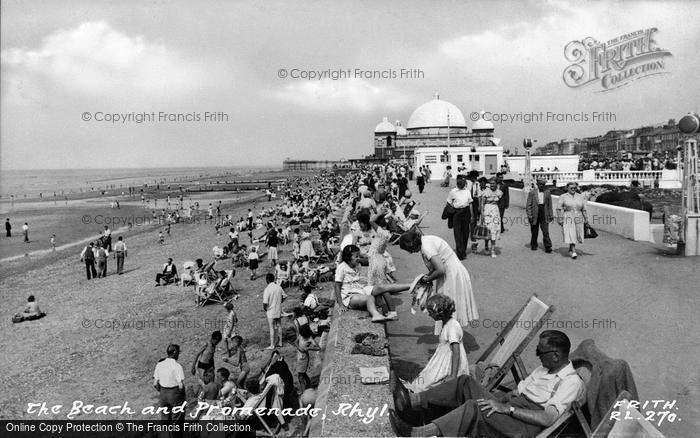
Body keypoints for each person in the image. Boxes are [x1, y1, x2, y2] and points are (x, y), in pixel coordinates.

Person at [390, 330, 585, 438]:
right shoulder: (544, 369)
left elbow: (548, 419)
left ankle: (418, 434)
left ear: (556, 355)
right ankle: (411, 401)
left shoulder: (570, 382)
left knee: (475, 408)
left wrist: (506, 409)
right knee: (465, 382)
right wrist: (497, 400)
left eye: (539, 353)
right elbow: (516, 392)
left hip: (524, 427)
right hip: (512, 408)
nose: (537, 356)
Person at [399, 231, 478, 333]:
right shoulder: (425, 241)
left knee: (447, 307)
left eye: (409, 249)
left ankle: (452, 336)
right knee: (447, 306)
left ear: (412, 244)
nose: (411, 252)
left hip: (452, 275)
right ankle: (450, 334)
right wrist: (430, 276)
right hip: (451, 272)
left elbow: (440, 270)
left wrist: (428, 279)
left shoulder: (427, 248)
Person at [403, 294, 469, 393]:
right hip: (442, 359)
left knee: (430, 381)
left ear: (439, 313)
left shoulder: (452, 327)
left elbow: (456, 352)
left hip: (448, 364)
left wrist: (453, 376)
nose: (429, 315)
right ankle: (415, 391)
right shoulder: (447, 323)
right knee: (426, 377)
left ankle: (416, 395)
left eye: (430, 312)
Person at [334, 245, 411, 323]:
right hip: (350, 296)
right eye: (356, 256)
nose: (358, 258)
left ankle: (409, 287)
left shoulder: (357, 264)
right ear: (348, 257)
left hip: (360, 289)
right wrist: (341, 304)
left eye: (359, 256)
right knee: (369, 298)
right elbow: (337, 286)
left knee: (382, 288)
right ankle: (375, 315)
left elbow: (368, 261)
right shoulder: (342, 268)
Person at [153, 344, 185, 422]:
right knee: (177, 418)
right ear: (174, 352)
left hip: (163, 393)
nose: (178, 355)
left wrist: (162, 391)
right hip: (175, 394)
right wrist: (180, 394)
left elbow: (155, 384)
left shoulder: (160, 364)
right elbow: (180, 386)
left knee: (165, 418)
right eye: (178, 353)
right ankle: (176, 433)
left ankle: (165, 433)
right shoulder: (177, 366)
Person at [556, 182, 589, 259]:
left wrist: (586, 219)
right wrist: (560, 218)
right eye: (571, 188)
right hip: (568, 216)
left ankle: (571, 248)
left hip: (579, 216)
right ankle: (573, 251)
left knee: (577, 233)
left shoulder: (581, 197)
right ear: (567, 188)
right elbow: (558, 208)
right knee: (571, 233)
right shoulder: (563, 196)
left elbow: (584, 209)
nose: (573, 189)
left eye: (574, 188)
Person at [446, 177, 473, 260]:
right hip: (457, 213)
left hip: (466, 212)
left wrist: (472, 215)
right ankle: (460, 253)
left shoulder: (467, 191)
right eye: (460, 183)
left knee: (465, 233)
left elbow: (470, 203)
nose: (461, 184)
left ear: (465, 184)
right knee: (458, 233)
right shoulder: (453, 191)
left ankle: (463, 251)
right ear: (457, 184)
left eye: (463, 183)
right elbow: (448, 202)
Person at [526, 179, 553, 253]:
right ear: (537, 184)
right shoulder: (532, 193)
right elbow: (528, 205)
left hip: (544, 212)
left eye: (543, 184)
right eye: (540, 184)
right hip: (535, 213)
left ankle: (548, 246)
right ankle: (534, 244)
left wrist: (551, 215)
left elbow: (549, 205)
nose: (542, 186)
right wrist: (529, 215)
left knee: (545, 231)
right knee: (534, 230)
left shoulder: (547, 193)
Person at [263, 273, 288, 349]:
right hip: (278, 309)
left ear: (267, 280)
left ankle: (272, 344)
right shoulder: (278, 287)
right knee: (279, 325)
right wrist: (280, 302)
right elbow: (285, 296)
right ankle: (280, 342)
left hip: (270, 310)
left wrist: (265, 308)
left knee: (271, 327)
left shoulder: (267, 289)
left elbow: (265, 302)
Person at [480, 178, 503, 258]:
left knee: (494, 230)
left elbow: (499, 202)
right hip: (487, 211)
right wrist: (482, 214)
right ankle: (486, 246)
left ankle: (492, 250)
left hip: (495, 212)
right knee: (487, 230)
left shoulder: (499, 192)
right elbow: (482, 204)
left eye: (493, 183)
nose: (492, 185)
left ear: (496, 184)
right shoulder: (485, 192)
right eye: (491, 183)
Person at [295, 324, 321, 395]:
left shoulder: (310, 339)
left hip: (303, 359)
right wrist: (300, 349)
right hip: (299, 356)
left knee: (300, 376)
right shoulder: (301, 335)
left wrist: (309, 348)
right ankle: (309, 385)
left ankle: (303, 392)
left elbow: (318, 348)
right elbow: (295, 342)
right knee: (302, 373)